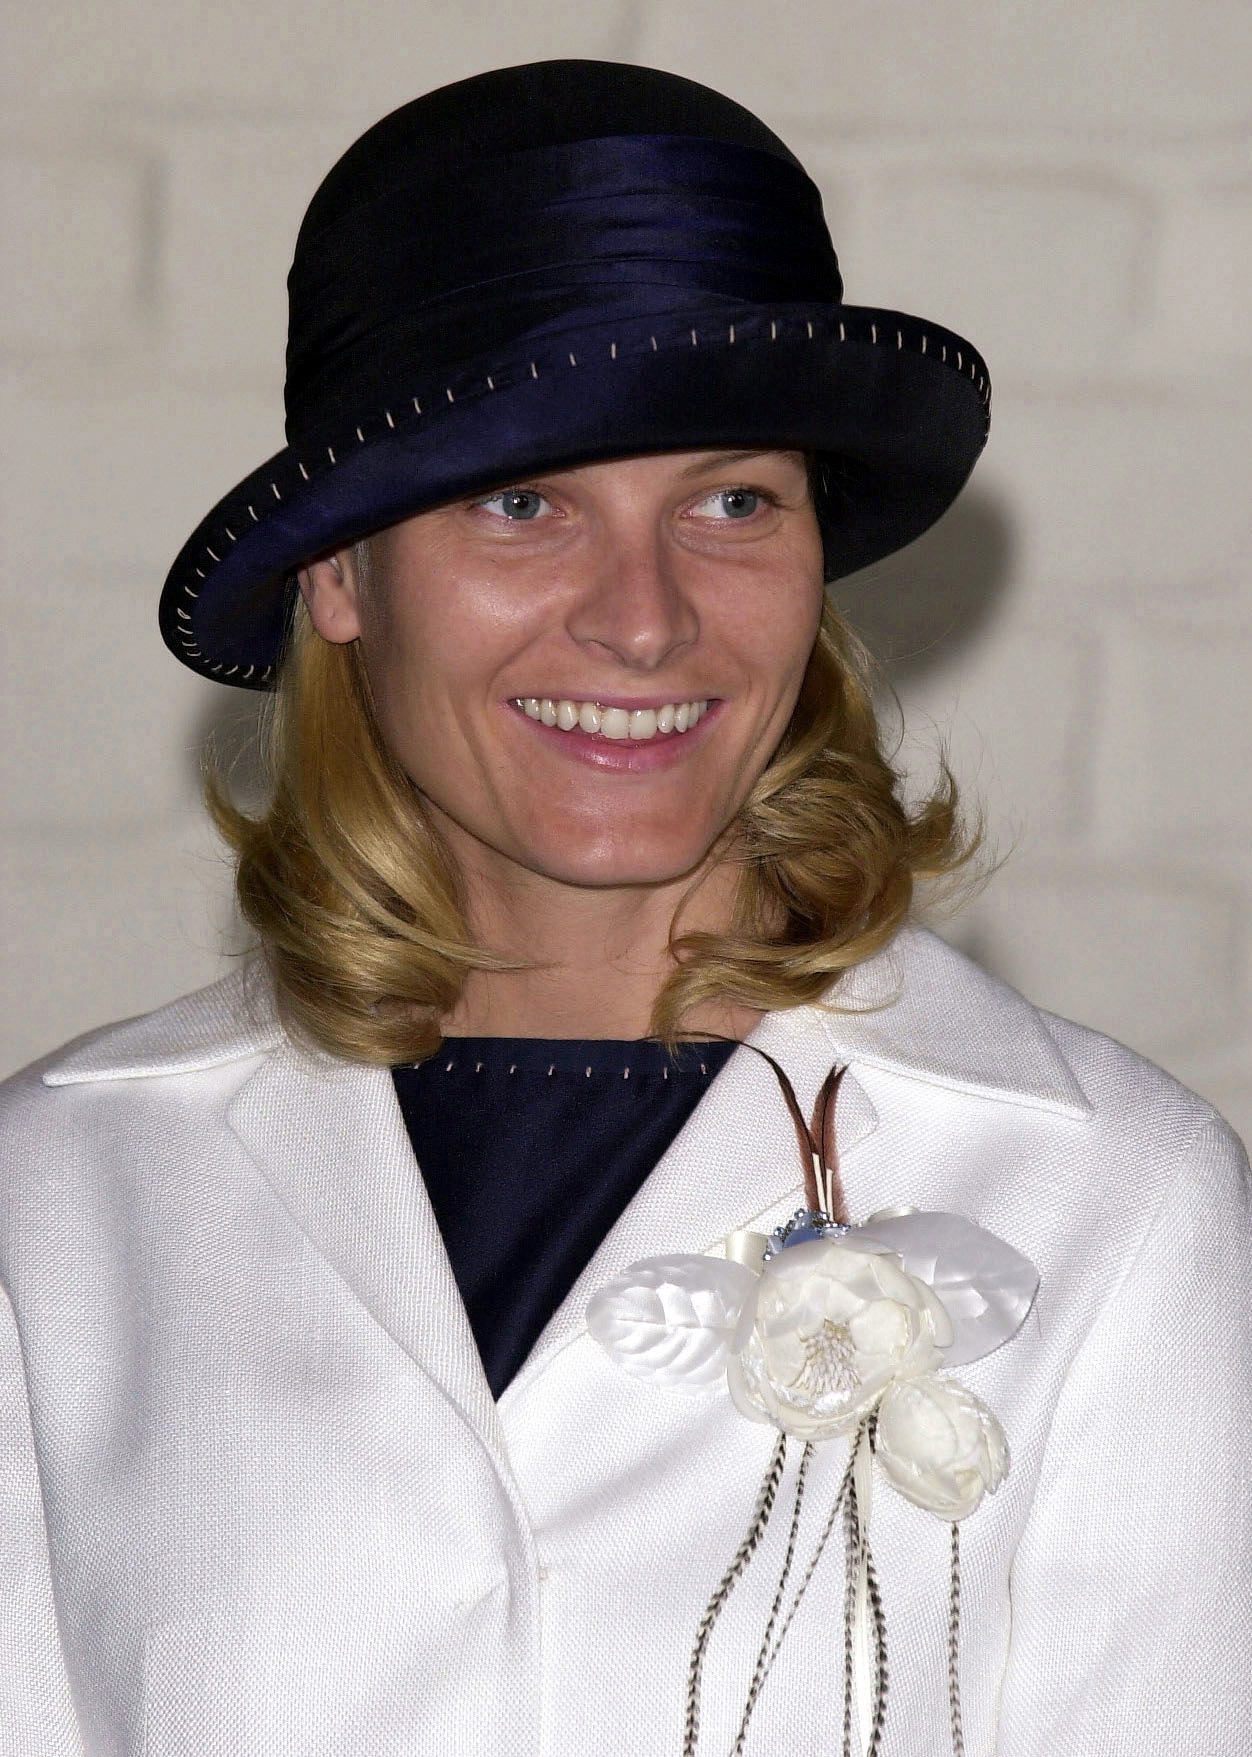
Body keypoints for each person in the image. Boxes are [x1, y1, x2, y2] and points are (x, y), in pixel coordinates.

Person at [1, 58, 1248, 1757]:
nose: (646, 619)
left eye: (731, 501)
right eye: (525, 503)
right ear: (340, 574)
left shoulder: (1118, 1204)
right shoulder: (64, 1200)